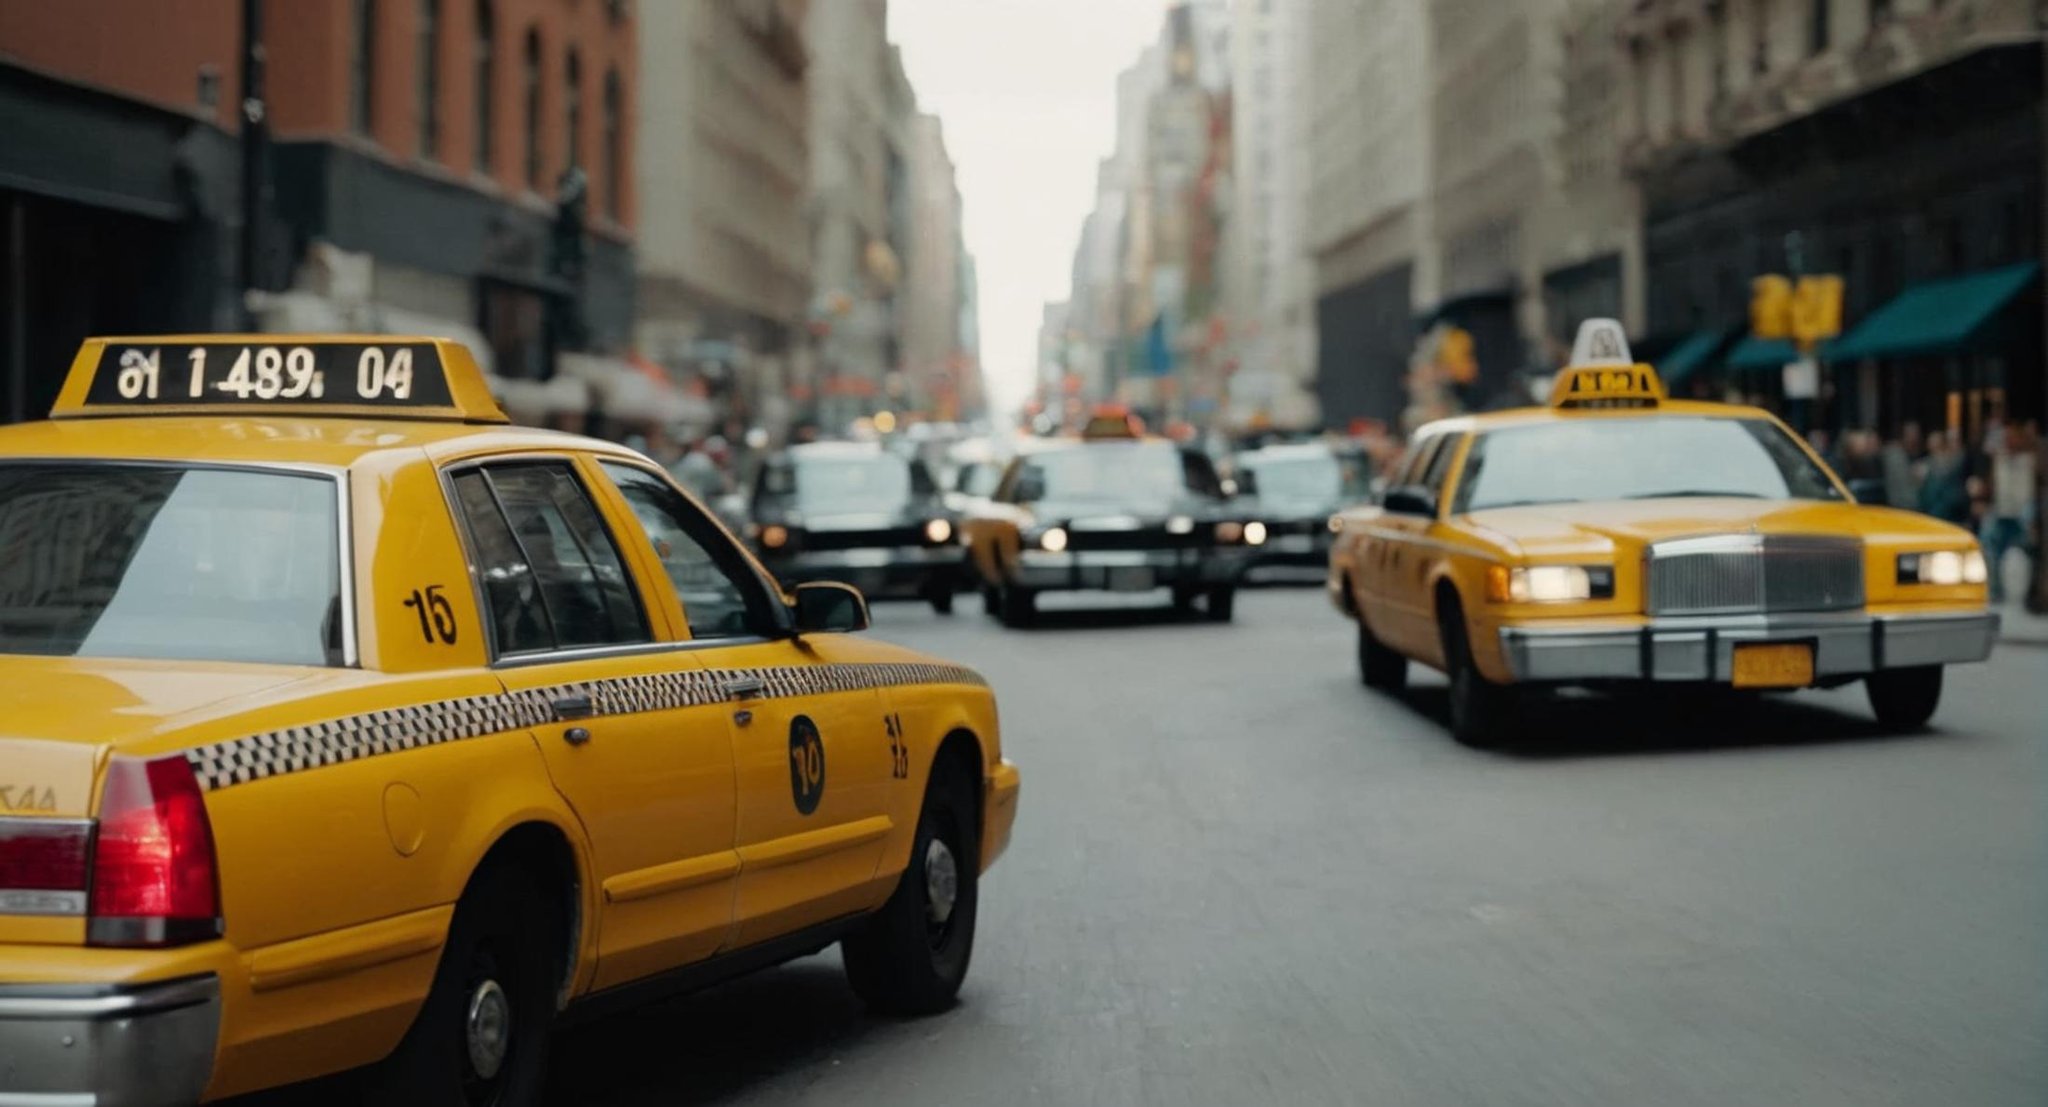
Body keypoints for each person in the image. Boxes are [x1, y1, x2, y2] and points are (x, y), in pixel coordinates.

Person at [1979, 419, 2039, 604]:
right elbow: (1990, 487)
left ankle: (2033, 593)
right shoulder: (1999, 459)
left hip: (2024, 513)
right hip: (2002, 512)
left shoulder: (2031, 459)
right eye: (2006, 438)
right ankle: (1995, 590)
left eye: (2012, 437)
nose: (2008, 441)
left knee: (2032, 543)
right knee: (1987, 537)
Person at [1918, 431, 1970, 524]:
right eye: (1932, 444)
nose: (1934, 447)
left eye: (1937, 444)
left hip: (1948, 513)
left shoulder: (1954, 462)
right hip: (1929, 512)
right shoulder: (1925, 464)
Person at [1881, 421, 1924, 510]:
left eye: (1915, 435)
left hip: (1914, 506)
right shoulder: (1893, 454)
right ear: (1904, 436)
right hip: (1898, 505)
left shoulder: (1920, 457)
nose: (1913, 438)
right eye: (1910, 434)